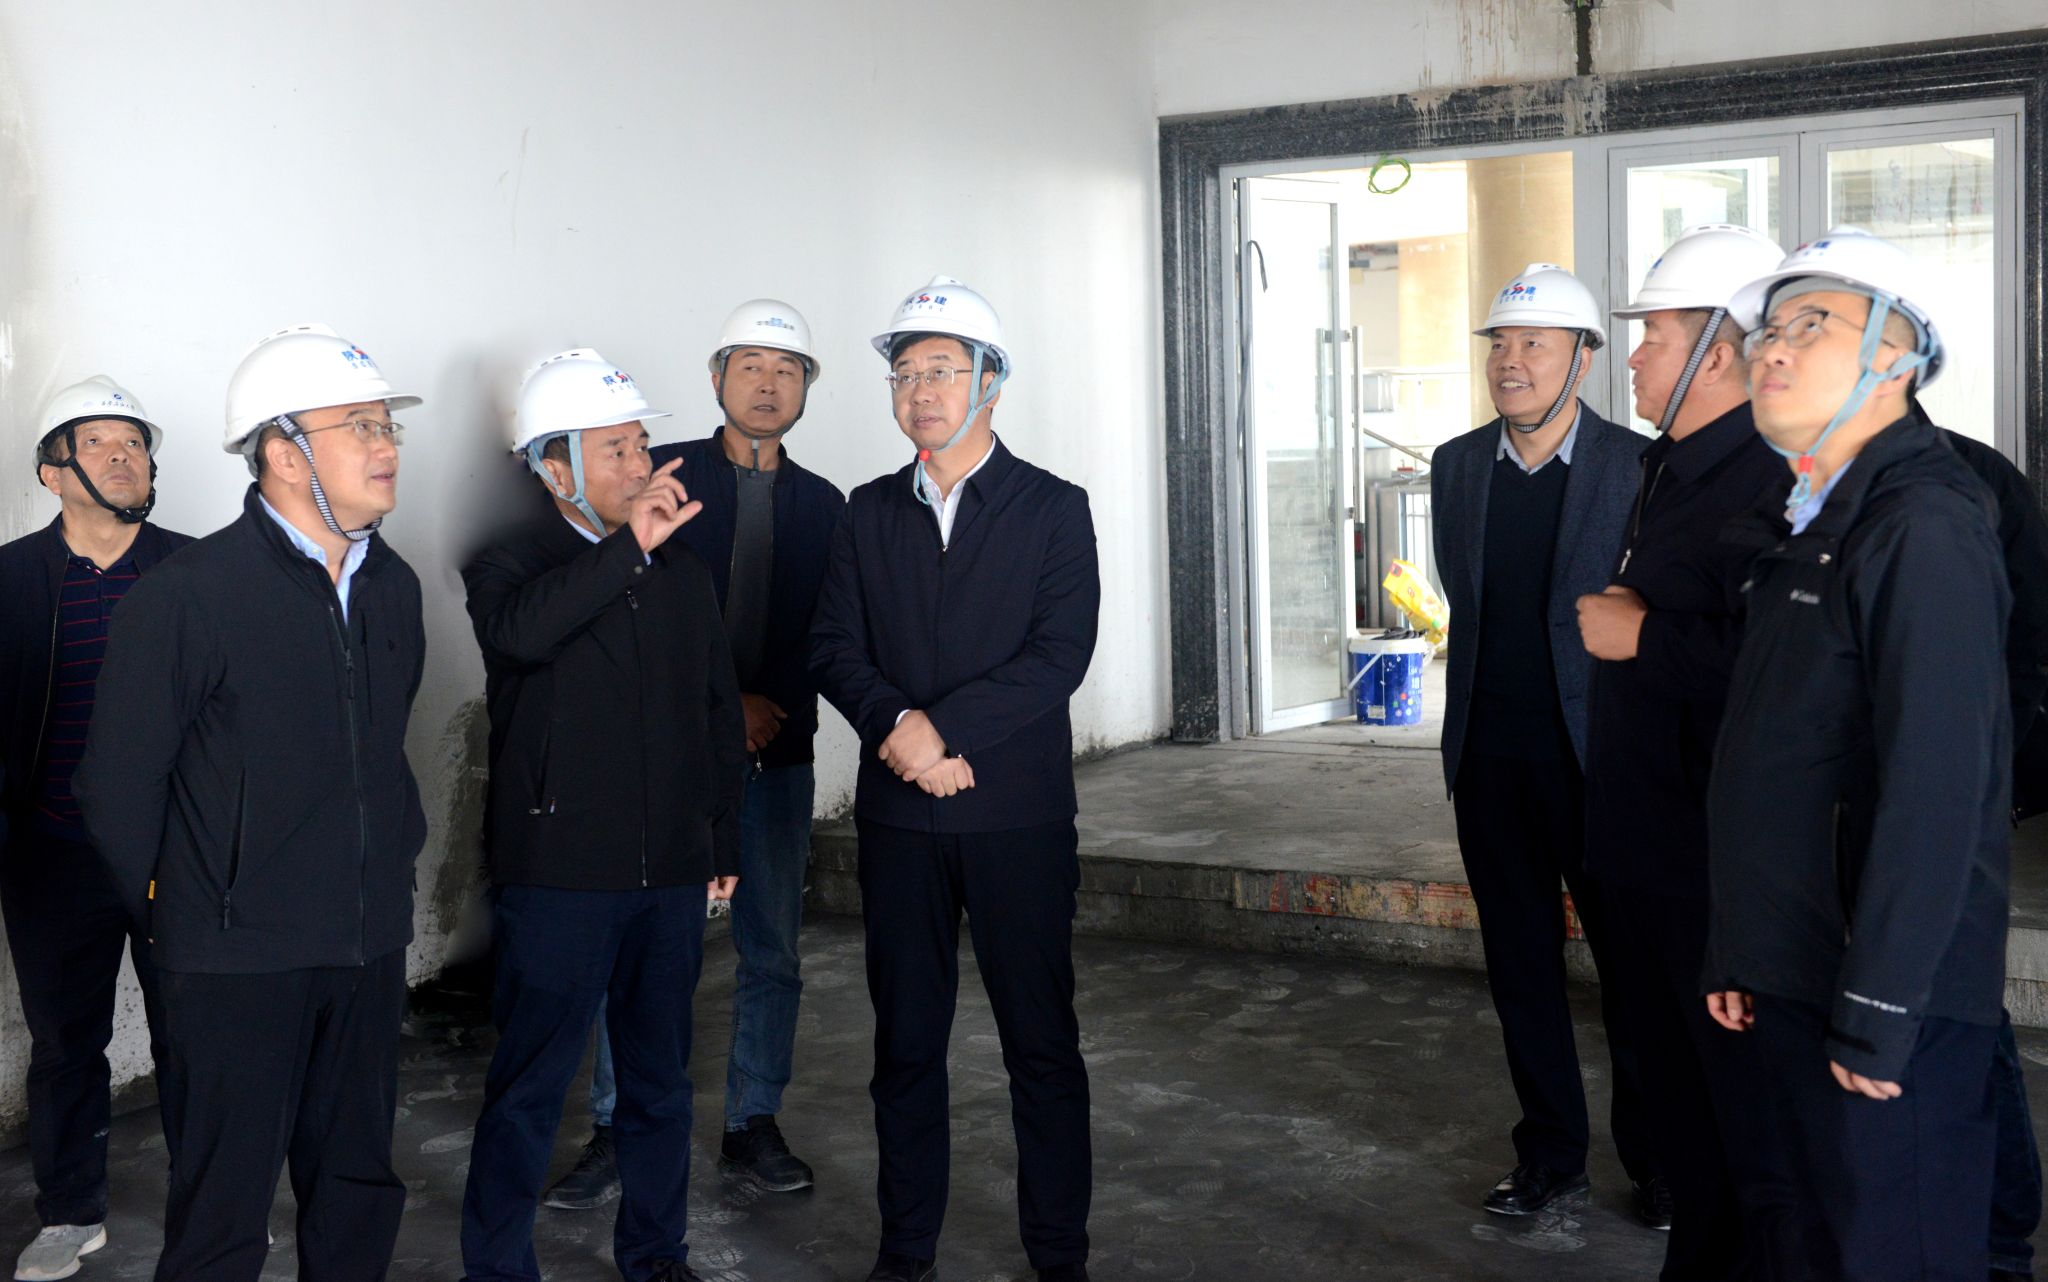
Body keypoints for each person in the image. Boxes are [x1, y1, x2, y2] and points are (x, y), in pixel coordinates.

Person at [74, 324, 428, 1282]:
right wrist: (179, 909)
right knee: (224, 1207)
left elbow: (381, 751)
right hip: (234, 957)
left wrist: (391, 869)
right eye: (359, 425)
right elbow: (117, 784)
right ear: (284, 452)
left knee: (358, 1184)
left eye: (387, 424)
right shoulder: (189, 596)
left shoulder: (393, 587)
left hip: (365, 941)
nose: (386, 445)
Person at [1705, 228, 2009, 1280]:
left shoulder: (1922, 525)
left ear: (1897, 356)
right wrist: (1743, 949)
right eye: (1766, 330)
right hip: (1799, 974)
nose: (1772, 348)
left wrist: (1879, 1011)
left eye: (1812, 324)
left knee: (1893, 1253)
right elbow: (1776, 759)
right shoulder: (1814, 515)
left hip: (1884, 1002)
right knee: (1808, 1246)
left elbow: (1937, 792)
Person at [812, 276, 1099, 1282]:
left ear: (991, 382)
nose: (920, 390)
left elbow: (1058, 654)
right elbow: (832, 644)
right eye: (904, 374)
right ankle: (905, 1254)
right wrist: (898, 728)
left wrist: (939, 730)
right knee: (904, 1048)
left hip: (1016, 817)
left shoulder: (1052, 509)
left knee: (1040, 1046)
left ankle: (1057, 1256)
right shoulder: (865, 513)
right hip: (900, 826)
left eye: (940, 369)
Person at [546, 304, 845, 1211]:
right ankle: (617, 1128)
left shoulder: (825, 504)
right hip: (667, 762)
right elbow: (631, 614)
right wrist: (723, 707)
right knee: (642, 954)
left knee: (772, 951)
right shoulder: (663, 477)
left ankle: (753, 1124)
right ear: (717, 378)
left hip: (777, 755)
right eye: (750, 366)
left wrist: (766, 707)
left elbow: (831, 631)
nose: (767, 385)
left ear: (806, 388)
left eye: (786, 370)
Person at [458, 349, 745, 1282]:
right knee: (531, 1088)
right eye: (614, 450)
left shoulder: (681, 567)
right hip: (560, 877)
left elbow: (714, 708)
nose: (639, 465)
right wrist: (630, 550)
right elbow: (519, 634)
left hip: (669, 874)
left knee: (660, 1085)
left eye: (640, 445)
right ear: (555, 469)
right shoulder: (510, 560)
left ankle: (656, 1257)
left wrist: (720, 835)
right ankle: (499, 1269)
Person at [1575, 224, 1803, 1276]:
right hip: (1644, 846)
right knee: (1679, 1113)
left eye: (1654, 336)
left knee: (1741, 1126)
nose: (1632, 357)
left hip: (1712, 862)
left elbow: (1794, 664)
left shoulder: (1771, 478)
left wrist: (1646, 636)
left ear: (1718, 349)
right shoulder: (1670, 463)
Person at [1429, 263, 1660, 1221]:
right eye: (1499, 343)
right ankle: (1550, 1155)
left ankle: (1659, 1161)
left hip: (1600, 762)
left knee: (1635, 971)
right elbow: (1469, 602)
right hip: (1489, 759)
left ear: (1583, 358)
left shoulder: (1641, 467)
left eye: (1533, 343)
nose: (1510, 361)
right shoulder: (1455, 466)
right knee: (1520, 968)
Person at [0, 377, 191, 1282]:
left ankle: (212, 1205)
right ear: (53, 473)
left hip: (177, 857)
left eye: (135, 442)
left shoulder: (199, 574)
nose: (124, 456)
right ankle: (70, 1214)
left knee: (196, 1038)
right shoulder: (9, 581)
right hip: (52, 856)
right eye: (99, 442)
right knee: (66, 1045)